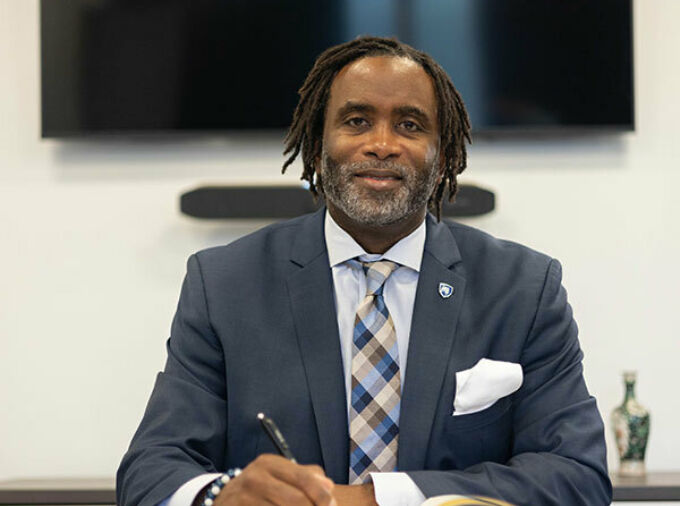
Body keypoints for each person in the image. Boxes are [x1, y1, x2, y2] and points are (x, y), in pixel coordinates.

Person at [117, 36, 612, 506]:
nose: (382, 144)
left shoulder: (524, 289)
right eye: (356, 121)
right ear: (316, 147)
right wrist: (220, 494)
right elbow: (152, 470)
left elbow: (576, 475)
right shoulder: (224, 283)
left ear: (443, 159)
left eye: (410, 125)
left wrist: (377, 497)